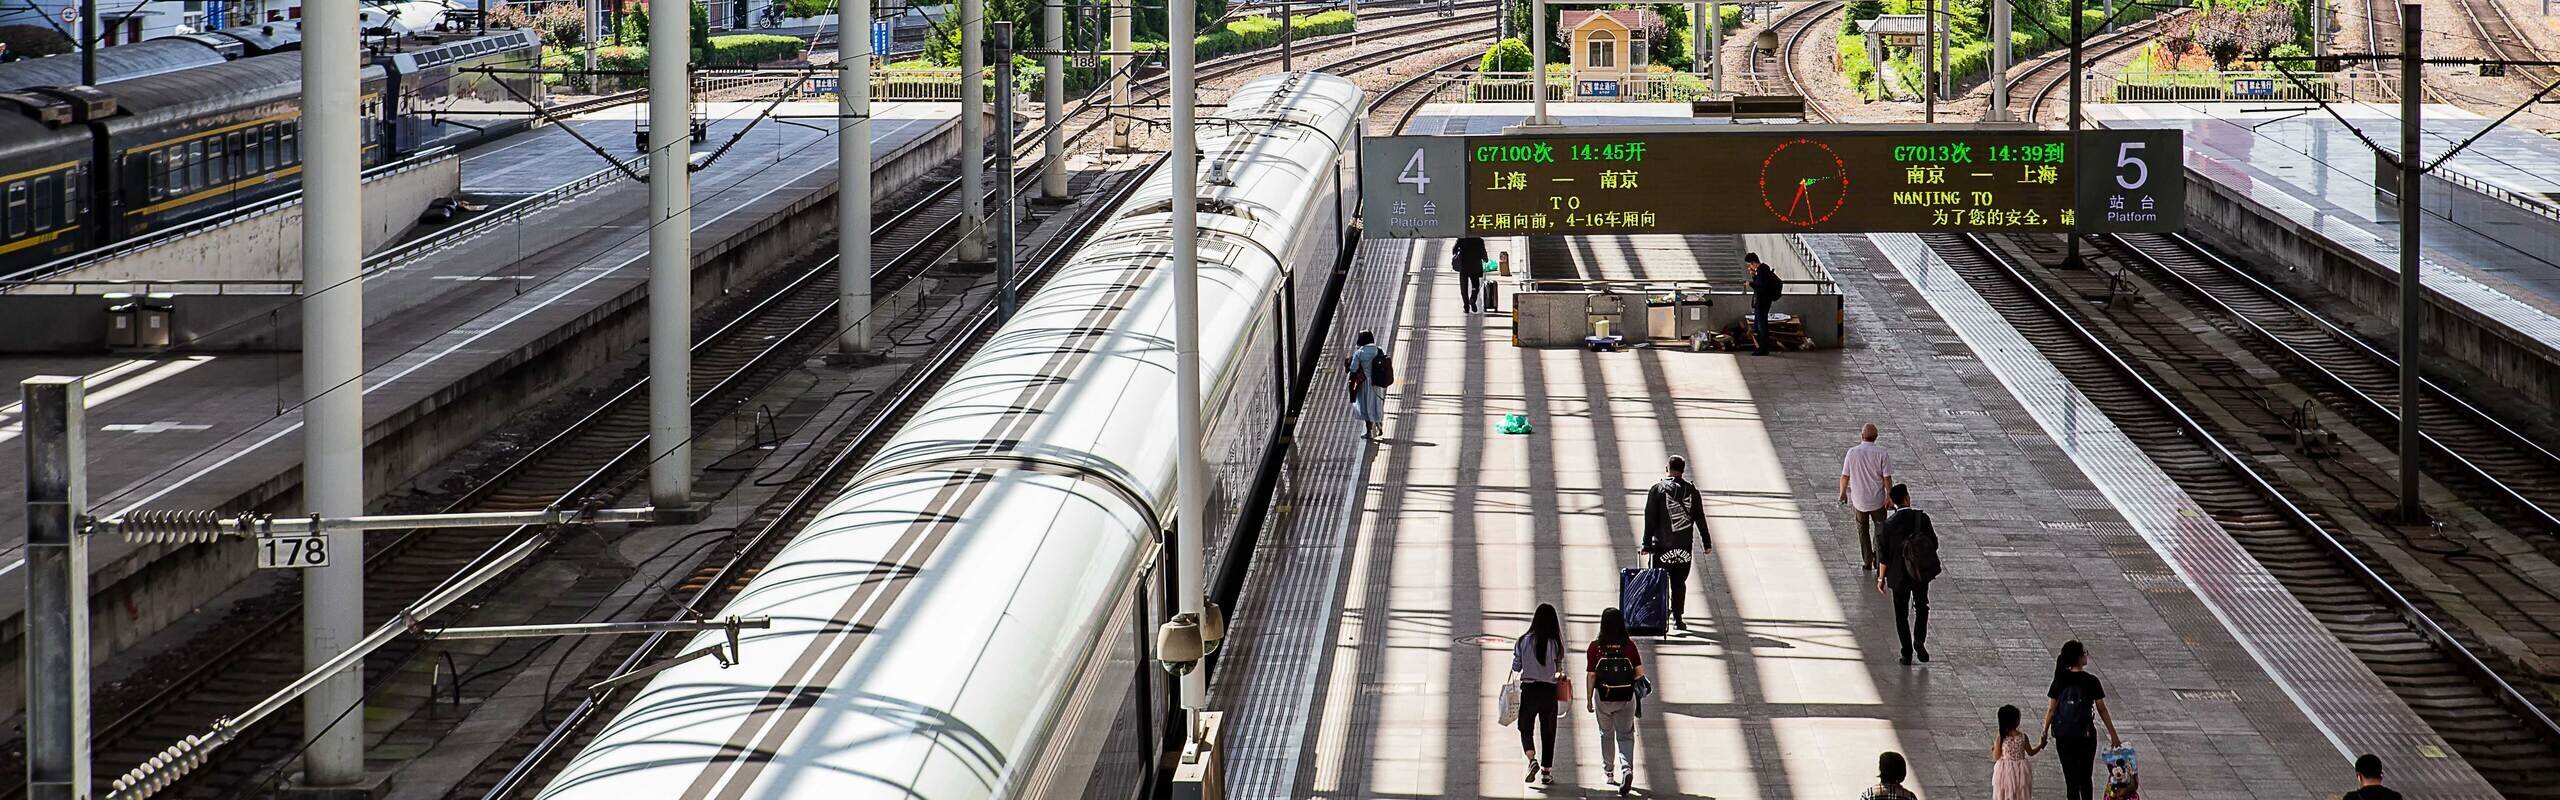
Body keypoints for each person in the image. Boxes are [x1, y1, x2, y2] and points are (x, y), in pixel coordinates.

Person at [2040, 640, 2122, 800]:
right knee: (2085, 778)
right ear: (2078, 658)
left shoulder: (2060, 679)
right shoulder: (2091, 681)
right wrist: (2113, 734)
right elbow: (2102, 709)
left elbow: (2051, 709)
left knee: (2070, 780)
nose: (2086, 656)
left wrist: (2044, 732)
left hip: (2064, 736)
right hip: (2085, 736)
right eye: (2084, 653)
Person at [1641, 455, 1711, 631]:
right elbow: (1700, 518)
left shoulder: (1657, 489)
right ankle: (1678, 619)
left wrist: (1646, 544)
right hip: (1683, 548)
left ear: (1667, 469)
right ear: (1683, 469)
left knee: (1660, 582)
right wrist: (1706, 542)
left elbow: (1650, 518)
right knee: (1679, 583)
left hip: (1661, 547)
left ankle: (1660, 616)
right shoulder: (1692, 491)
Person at [1873, 483, 1937, 665]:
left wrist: (1880, 579)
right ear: (1907, 498)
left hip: (1898, 576)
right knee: (1922, 606)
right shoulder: (1921, 518)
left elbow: (1883, 557)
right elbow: (1934, 543)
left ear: (1892, 502)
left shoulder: (1887, 526)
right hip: (1919, 573)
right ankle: (1919, 639)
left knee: (1901, 615)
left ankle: (1907, 653)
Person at [1586, 607, 1647, 790]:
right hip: (1626, 697)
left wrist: (1589, 699)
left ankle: (1609, 773)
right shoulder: (1629, 646)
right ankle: (1627, 769)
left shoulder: (1595, 647)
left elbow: (1591, 675)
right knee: (1626, 735)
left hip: (1603, 698)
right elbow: (1639, 674)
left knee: (1606, 733)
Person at [1512, 603, 1569, 787]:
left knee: (1525, 727)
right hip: (1549, 691)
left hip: (1529, 690)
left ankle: (1531, 759)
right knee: (1549, 730)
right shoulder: (1555, 644)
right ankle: (1546, 771)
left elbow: (1516, 667)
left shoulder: (1523, 641)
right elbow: (1558, 669)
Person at [1838, 423, 1894, 570]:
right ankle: (1879, 559)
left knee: (1862, 530)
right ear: (1876, 437)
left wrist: (1843, 494)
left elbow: (1845, 476)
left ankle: (1867, 560)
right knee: (1880, 530)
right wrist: (1890, 496)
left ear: (1862, 436)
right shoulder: (1882, 453)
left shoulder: (1852, 453)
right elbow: (1887, 478)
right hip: (1878, 500)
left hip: (1859, 500)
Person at [1991, 704, 2042, 800]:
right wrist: (2040, 745)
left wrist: (1994, 749)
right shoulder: (2023, 737)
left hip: (2004, 770)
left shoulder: (2001, 738)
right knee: (2020, 794)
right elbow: (2031, 752)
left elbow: (1996, 757)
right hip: (2021, 770)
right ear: (2017, 721)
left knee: (2004, 793)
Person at [1346, 330, 1388, 440]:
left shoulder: (1359, 353)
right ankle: (1379, 423)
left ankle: (1369, 432)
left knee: (1366, 406)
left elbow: (1353, 369)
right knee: (1376, 403)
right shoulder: (1378, 350)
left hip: (1364, 384)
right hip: (1376, 382)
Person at [1746, 252, 1784, 355]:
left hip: (1763, 301)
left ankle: (1763, 349)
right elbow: (1760, 284)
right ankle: (1762, 348)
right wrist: (1754, 276)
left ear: (1753, 263)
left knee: (1761, 325)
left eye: (1749, 265)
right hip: (1764, 301)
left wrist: (1750, 284)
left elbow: (1761, 288)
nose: (1749, 267)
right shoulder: (1762, 270)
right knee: (1759, 325)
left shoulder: (1762, 271)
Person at [1452, 236, 1489, 313]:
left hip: (1463, 267)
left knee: (1464, 288)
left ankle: (1466, 306)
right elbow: (1483, 254)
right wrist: (1485, 259)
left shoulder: (1461, 239)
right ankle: (1472, 299)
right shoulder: (1479, 241)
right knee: (1475, 286)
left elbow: (1454, 250)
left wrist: (1459, 251)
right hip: (1475, 267)